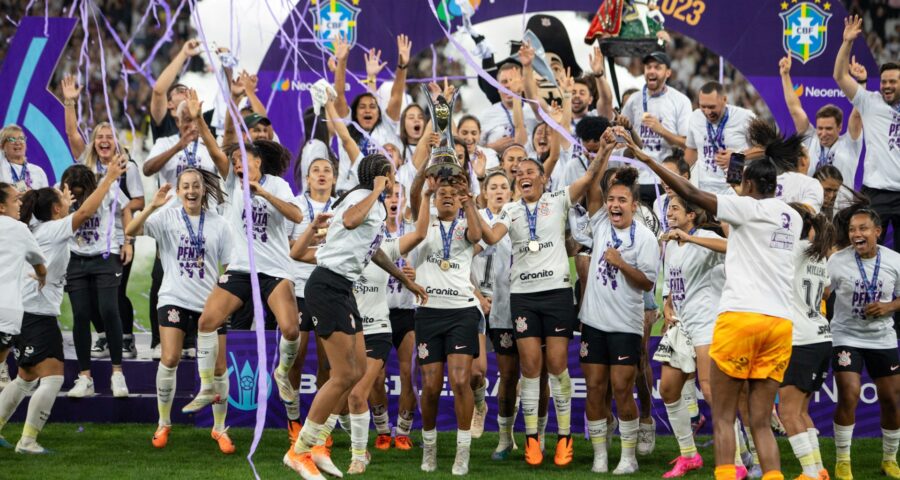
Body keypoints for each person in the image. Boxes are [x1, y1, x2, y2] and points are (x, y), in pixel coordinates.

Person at [629, 132, 802, 480]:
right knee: (761, 422)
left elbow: (694, 194)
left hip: (740, 318)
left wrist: (649, 161)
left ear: (749, 183)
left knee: (723, 417)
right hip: (780, 324)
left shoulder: (745, 208)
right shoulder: (791, 216)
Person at [285, 154, 426, 480]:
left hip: (342, 289)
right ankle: (300, 450)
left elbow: (373, 248)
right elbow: (349, 220)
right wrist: (376, 191)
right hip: (328, 286)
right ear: (381, 177)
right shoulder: (364, 198)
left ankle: (317, 445)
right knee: (343, 375)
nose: (391, 185)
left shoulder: (370, 209)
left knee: (355, 371)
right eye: (388, 176)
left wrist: (404, 279)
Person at [479, 135, 607, 468]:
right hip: (523, 297)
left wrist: (604, 149)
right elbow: (492, 236)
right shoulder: (509, 209)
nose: (523, 175)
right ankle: (532, 439)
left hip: (557, 294)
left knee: (558, 367)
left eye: (529, 170)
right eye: (518, 171)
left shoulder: (558, 200)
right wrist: (469, 204)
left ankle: (564, 437)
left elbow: (589, 178)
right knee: (531, 369)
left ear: (542, 178)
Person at [0, 161, 122, 452]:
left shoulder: (40, 227)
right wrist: (109, 179)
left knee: (26, 377)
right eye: (62, 200)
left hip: (29, 312)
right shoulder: (53, 230)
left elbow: (72, 212)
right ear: (55, 210)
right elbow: (85, 212)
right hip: (36, 314)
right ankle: (28, 440)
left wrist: (61, 203)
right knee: (53, 375)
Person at [181, 140, 303, 417]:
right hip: (241, 268)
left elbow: (296, 215)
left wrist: (262, 193)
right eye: (234, 160)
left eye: (241, 158)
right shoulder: (233, 184)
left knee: (291, 329)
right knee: (207, 321)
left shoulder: (277, 185)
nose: (236, 163)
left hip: (274, 269)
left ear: (258, 162)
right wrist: (199, 118)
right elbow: (214, 151)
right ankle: (206, 385)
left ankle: (282, 373)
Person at [125, 168, 235, 454]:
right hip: (173, 297)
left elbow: (227, 268)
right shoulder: (166, 217)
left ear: (203, 189)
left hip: (209, 304)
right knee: (170, 357)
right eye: (185, 186)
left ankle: (219, 428)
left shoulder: (219, 224)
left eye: (195, 186)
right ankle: (163, 423)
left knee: (220, 367)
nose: (190, 191)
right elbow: (131, 230)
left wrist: (226, 302)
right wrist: (152, 206)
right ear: (178, 190)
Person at [580, 130, 659, 474]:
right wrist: (607, 148)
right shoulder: (599, 223)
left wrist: (622, 264)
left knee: (622, 390)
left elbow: (647, 283)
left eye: (621, 200)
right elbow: (592, 185)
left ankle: (628, 458)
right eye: (611, 198)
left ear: (634, 205)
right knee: (595, 390)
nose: (614, 204)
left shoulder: (645, 238)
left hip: (625, 325)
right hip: (594, 323)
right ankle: (601, 455)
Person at [342, 179, 428, 474]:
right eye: (388, 194)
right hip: (371, 313)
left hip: (403, 311)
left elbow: (425, 259)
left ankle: (402, 432)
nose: (392, 199)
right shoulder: (368, 233)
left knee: (408, 373)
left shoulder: (406, 234)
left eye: (396, 195)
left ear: (403, 201)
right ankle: (381, 429)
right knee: (374, 377)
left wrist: (413, 273)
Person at [61, 75, 146, 360]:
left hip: (118, 236)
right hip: (87, 239)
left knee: (116, 293)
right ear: (94, 142)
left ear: (116, 142)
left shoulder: (127, 166)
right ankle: (102, 336)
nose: (104, 140)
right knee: (91, 295)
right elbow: (73, 134)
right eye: (99, 136)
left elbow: (138, 201)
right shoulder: (85, 162)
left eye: (109, 137)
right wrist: (70, 102)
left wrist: (113, 208)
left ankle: (125, 338)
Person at [408, 173, 483, 475]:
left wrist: (471, 202)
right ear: (435, 198)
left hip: (462, 312)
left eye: (453, 193)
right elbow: (417, 207)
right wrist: (426, 193)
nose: (448, 196)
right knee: (430, 385)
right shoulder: (425, 224)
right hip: (428, 312)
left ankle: (462, 452)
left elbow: (478, 237)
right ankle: (430, 448)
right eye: (442, 193)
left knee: (461, 380)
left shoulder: (466, 225)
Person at [655, 194, 726, 478]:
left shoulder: (705, 236)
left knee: (712, 392)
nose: (669, 212)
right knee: (668, 389)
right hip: (682, 324)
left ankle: (739, 455)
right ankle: (689, 455)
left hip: (707, 323)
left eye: (675, 208)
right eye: (668, 208)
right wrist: (669, 302)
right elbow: (679, 280)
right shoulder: (671, 244)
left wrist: (691, 238)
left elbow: (732, 247)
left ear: (692, 215)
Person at [828, 208, 900, 480]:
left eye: (863, 229)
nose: (856, 234)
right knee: (849, 393)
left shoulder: (895, 260)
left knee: (892, 400)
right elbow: (821, 290)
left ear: (877, 232)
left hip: (882, 338)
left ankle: (890, 459)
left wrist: (889, 306)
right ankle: (843, 461)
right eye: (852, 230)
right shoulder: (837, 260)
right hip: (846, 336)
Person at [62, 163, 132, 399]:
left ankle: (117, 373)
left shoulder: (109, 189)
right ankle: (85, 376)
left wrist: (128, 240)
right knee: (80, 314)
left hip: (105, 255)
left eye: (84, 192)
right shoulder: (61, 192)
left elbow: (126, 207)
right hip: (76, 258)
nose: (79, 197)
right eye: (75, 193)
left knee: (109, 310)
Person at [833, 16, 900, 250]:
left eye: (893, 81)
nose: (887, 86)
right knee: (866, 251)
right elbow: (840, 77)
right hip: (876, 192)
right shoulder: (870, 102)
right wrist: (846, 42)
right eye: (884, 82)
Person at [778, 205, 834, 480]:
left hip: (800, 341)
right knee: (800, 411)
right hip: (821, 337)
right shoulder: (818, 254)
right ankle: (818, 470)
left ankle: (810, 474)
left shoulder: (790, 251)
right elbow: (825, 290)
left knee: (787, 413)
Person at [284, 157, 338, 443]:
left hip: (329, 290)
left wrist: (309, 247)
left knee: (328, 363)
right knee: (297, 358)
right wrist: (322, 248)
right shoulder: (295, 206)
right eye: (315, 170)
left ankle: (317, 427)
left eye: (326, 170)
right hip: (300, 290)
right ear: (306, 178)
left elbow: (343, 247)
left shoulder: (342, 207)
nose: (321, 174)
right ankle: (294, 421)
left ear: (334, 178)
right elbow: (288, 245)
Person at [0, 181, 46, 451]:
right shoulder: (19, 229)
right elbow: (39, 264)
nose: (21, 205)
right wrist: (42, 278)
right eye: (16, 200)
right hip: (6, 313)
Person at [331, 35, 409, 193]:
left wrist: (402, 66)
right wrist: (342, 62)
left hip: (380, 197)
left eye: (372, 107)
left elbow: (396, 96)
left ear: (379, 112)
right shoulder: (347, 127)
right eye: (362, 107)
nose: (367, 110)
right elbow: (339, 95)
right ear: (354, 112)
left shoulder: (386, 126)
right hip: (348, 195)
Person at [620, 51, 691, 203]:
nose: (651, 71)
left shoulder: (681, 101)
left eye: (657, 67)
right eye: (648, 67)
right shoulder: (633, 100)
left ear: (668, 72)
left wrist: (662, 131)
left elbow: (687, 143)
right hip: (637, 178)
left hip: (666, 179)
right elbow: (621, 137)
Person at [779, 54, 862, 185]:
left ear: (840, 127)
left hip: (842, 205)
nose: (823, 133)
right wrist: (785, 75)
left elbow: (857, 115)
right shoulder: (811, 139)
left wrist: (861, 83)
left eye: (829, 128)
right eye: (820, 128)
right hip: (813, 204)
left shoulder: (850, 144)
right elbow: (795, 110)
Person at [684, 81, 756, 194]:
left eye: (712, 107)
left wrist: (738, 157)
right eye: (703, 106)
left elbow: (766, 147)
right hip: (704, 186)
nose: (707, 112)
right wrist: (681, 174)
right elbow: (692, 149)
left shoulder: (745, 117)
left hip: (735, 186)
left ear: (724, 100)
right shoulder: (695, 116)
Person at [0, 125, 49, 192]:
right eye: (12, 139)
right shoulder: (1, 170)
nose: (17, 142)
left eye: (21, 138)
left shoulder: (38, 172)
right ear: (2, 146)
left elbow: (45, 199)